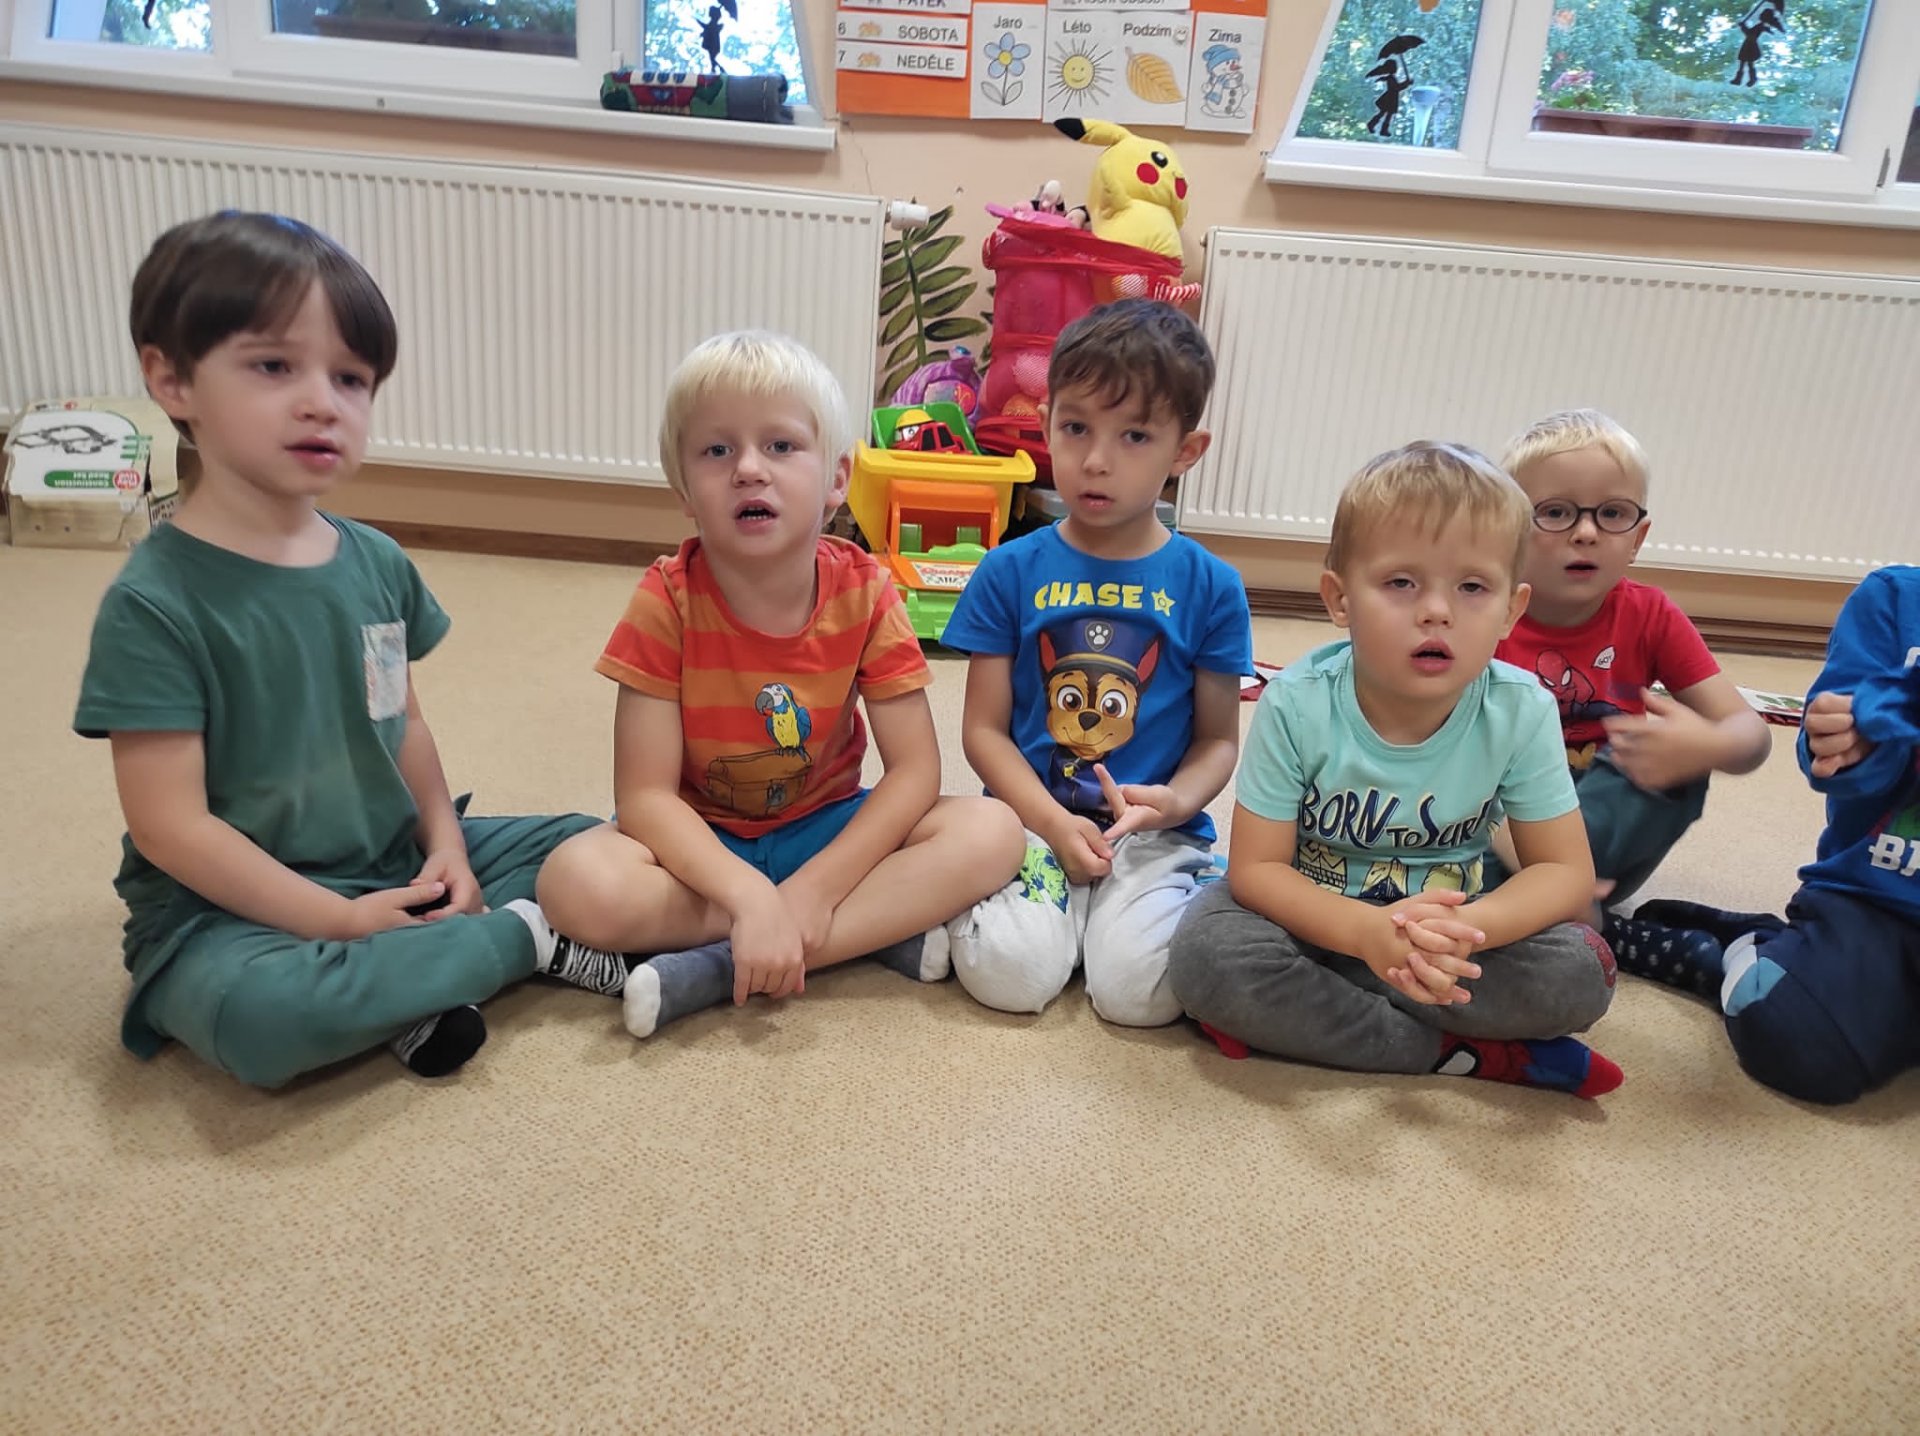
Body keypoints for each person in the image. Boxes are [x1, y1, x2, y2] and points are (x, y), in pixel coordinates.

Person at [74, 211, 610, 1088]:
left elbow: (403, 724)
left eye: (352, 379)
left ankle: (412, 979)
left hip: (390, 854)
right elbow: (172, 828)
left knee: (597, 846)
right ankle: (523, 941)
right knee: (262, 1020)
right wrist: (336, 920)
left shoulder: (376, 562)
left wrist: (446, 845)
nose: (323, 401)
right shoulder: (153, 604)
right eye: (274, 366)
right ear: (171, 379)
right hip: (226, 912)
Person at [534, 331, 1024, 1039]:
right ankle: (854, 932)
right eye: (716, 450)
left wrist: (813, 890)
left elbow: (915, 771)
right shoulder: (665, 599)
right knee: (574, 883)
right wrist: (748, 896)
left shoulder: (866, 590)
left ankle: (714, 967)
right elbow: (644, 797)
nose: (748, 469)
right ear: (683, 489)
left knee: (993, 832)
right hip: (703, 845)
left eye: (781, 445)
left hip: (826, 829)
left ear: (836, 479)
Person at [1169, 442, 1623, 1098]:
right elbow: (1258, 870)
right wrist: (1365, 934)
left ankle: (1337, 1015)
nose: (1437, 610)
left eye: (1472, 587)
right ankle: (1461, 1054)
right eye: (1401, 583)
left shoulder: (1521, 709)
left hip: (1451, 937)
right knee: (1207, 958)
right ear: (1340, 599)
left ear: (1511, 610)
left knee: (1583, 971)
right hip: (1314, 924)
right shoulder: (1296, 702)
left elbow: (1563, 871)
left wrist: (1468, 931)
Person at [936, 299, 1252, 1027]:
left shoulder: (1212, 586)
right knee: (1012, 977)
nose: (1096, 460)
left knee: (1142, 997)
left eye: (1135, 435)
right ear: (1047, 421)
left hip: (1151, 837)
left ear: (1185, 452)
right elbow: (983, 732)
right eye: (1076, 427)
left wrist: (1175, 803)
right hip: (1028, 820)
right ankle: (972, 911)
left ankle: (1167, 899)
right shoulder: (1008, 570)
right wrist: (1050, 823)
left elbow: (1217, 741)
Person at [1493, 409, 1769, 993]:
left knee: (1672, 762)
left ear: (1638, 538)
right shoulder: (1483, 613)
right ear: (1507, 532)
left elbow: (1751, 734)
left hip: (1598, 839)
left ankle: (1560, 907)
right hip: (1504, 832)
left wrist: (1709, 744)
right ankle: (1606, 933)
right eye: (1555, 512)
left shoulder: (1650, 614)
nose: (1586, 533)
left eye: (1612, 513)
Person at [1640, 566, 1920, 1104]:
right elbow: (1829, 757)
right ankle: (1741, 950)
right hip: (1874, 901)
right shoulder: (1894, 598)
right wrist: (1854, 742)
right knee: (1794, 1037)